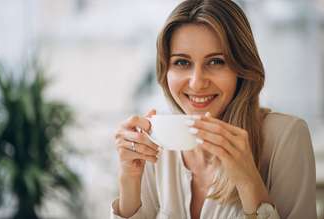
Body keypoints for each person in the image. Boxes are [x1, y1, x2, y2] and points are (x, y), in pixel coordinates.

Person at [110, 0, 317, 218]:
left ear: (242, 68)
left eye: (216, 62)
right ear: (165, 71)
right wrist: (128, 181)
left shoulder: (286, 137)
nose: (197, 83)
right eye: (182, 62)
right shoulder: (158, 142)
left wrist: (248, 181)